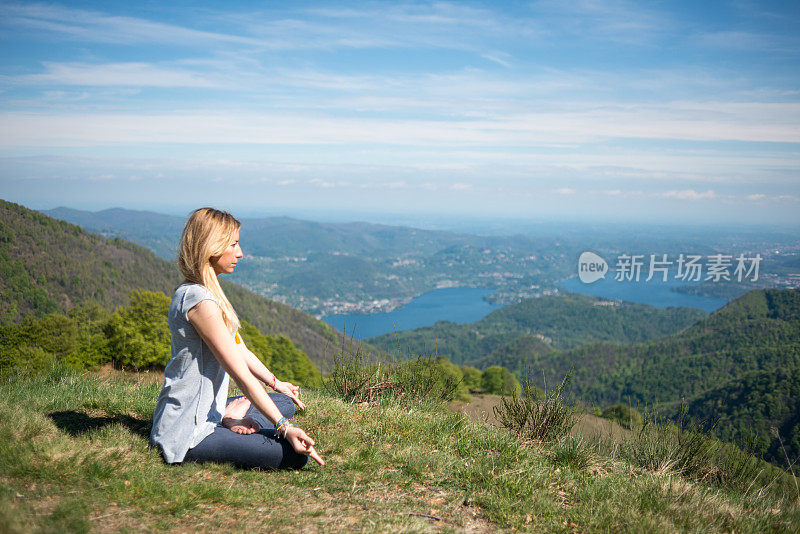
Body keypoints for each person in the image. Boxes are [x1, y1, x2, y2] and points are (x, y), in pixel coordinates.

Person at [150, 207, 324, 469]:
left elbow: (239, 350)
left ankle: (229, 414)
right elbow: (239, 372)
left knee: (284, 401)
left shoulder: (207, 294)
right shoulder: (199, 301)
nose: (239, 253)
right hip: (188, 430)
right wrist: (285, 428)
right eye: (233, 244)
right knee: (294, 456)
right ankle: (228, 418)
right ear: (211, 247)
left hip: (206, 410)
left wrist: (277, 384)